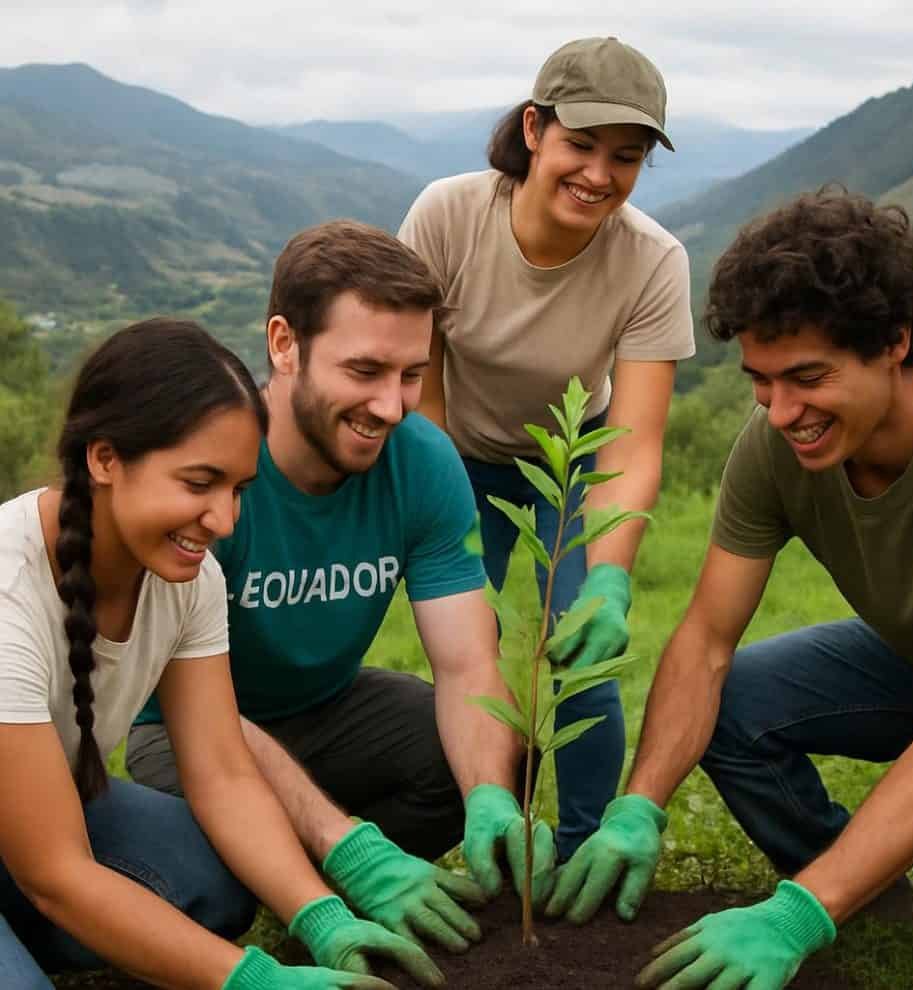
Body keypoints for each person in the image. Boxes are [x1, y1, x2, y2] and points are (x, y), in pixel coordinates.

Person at [545, 188, 913, 989]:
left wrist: (798, 914)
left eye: (808, 377)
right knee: (739, 700)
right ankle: (860, 884)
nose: (782, 412)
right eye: (761, 380)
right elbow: (706, 642)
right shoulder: (776, 444)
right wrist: (639, 805)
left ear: (895, 343)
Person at [128, 221, 555, 957]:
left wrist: (488, 791)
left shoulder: (421, 460)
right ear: (284, 344)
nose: (391, 406)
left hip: (331, 706)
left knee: (497, 757)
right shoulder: (210, 473)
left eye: (411, 375)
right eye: (364, 371)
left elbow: (465, 665)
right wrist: (346, 842)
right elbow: (200, 711)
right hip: (181, 725)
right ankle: (313, 873)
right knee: (207, 882)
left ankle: (331, 865)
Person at [0, 319, 444, 990]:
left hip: (33, 814)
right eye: (199, 482)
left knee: (214, 884)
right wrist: (248, 980)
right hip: (38, 847)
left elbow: (223, 773)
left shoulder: (190, 576)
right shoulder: (8, 592)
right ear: (105, 459)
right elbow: (59, 871)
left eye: (237, 489)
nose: (224, 521)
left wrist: (321, 916)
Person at [397, 35, 695, 860]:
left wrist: (609, 580)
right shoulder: (449, 217)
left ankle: (587, 845)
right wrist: (443, 522)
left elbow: (632, 445)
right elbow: (417, 392)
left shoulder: (652, 262)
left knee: (578, 648)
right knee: (470, 648)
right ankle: (486, 825)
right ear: (534, 129)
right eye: (582, 145)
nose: (600, 174)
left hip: (572, 464)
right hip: (456, 459)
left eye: (626, 157)